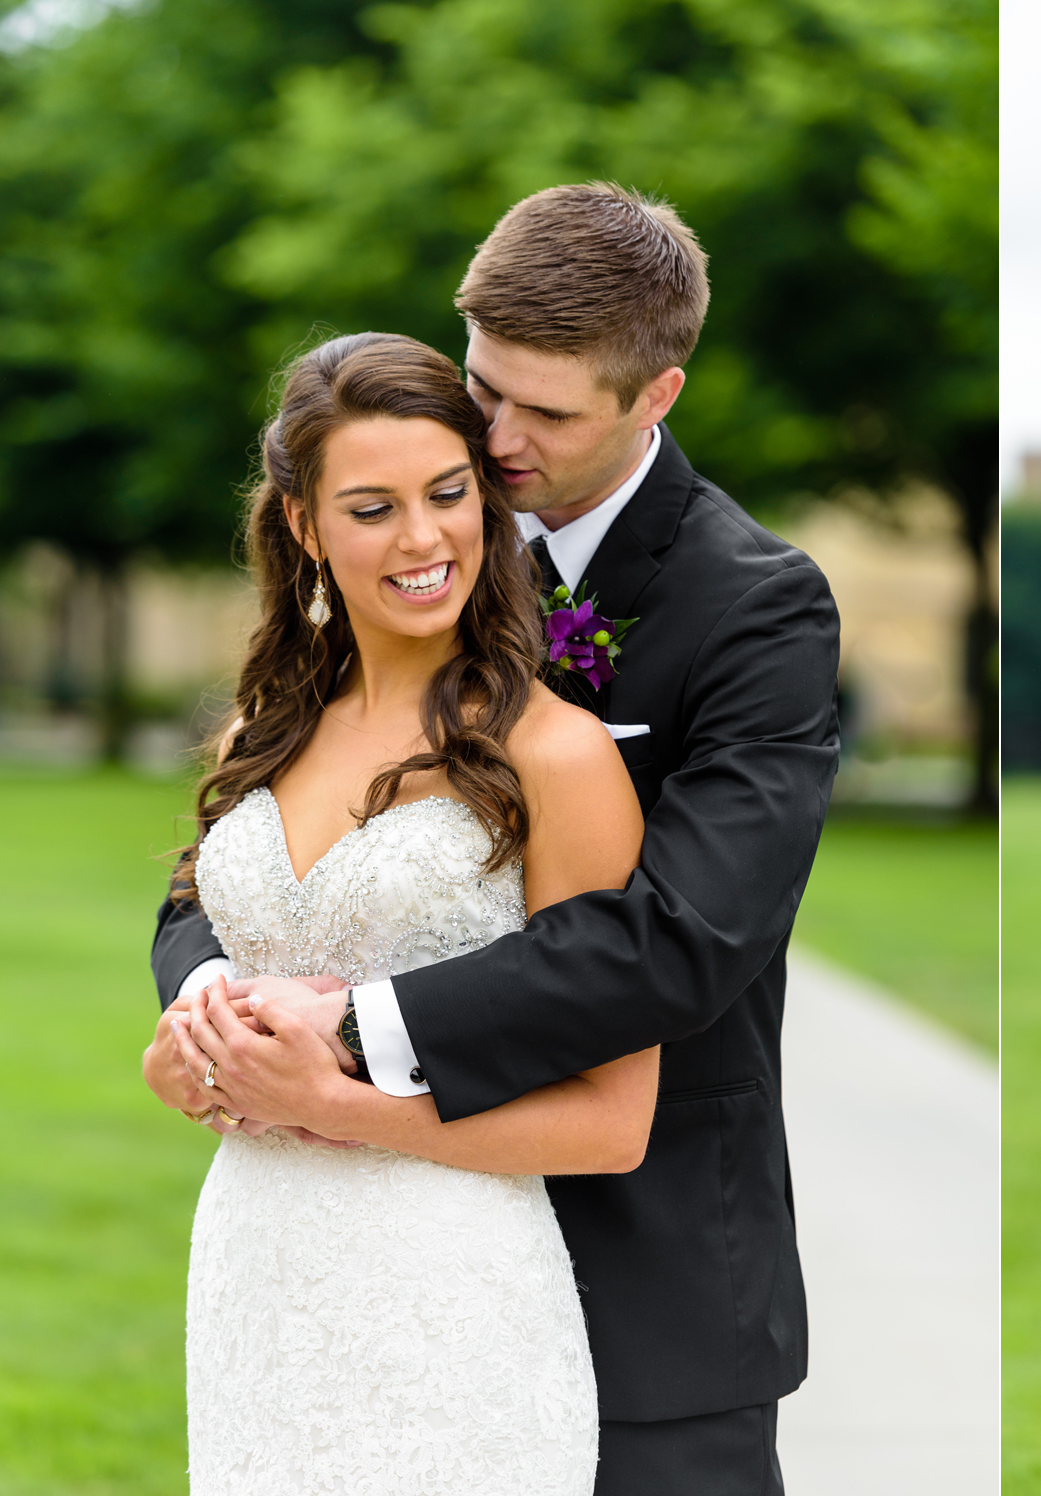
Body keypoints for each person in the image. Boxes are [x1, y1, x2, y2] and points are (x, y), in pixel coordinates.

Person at [146, 183, 840, 1496]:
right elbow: (224, 867)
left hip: (654, 1258)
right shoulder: (390, 540)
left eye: (548, 412)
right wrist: (212, 1005)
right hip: (321, 1253)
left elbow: (680, 939)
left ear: (656, 395)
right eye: (485, 389)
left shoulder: (756, 608)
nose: (499, 438)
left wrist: (339, 1034)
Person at [146, 330, 646, 1492]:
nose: (424, 539)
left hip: (452, 1301)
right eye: (372, 507)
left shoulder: (557, 758)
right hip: (254, 1276)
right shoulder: (257, 740)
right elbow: (213, 962)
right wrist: (186, 1054)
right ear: (305, 528)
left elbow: (612, 1120)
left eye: (448, 493)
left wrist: (345, 1108)